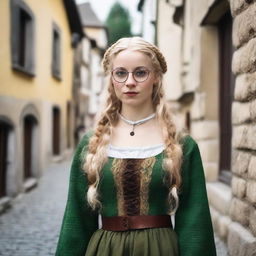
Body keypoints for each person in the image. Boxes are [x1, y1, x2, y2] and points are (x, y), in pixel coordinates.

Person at [55, 37, 217, 256]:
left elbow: (195, 222)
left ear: (156, 78)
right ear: (112, 79)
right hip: (106, 250)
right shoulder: (91, 143)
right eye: (121, 73)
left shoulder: (182, 145)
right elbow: (76, 219)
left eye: (140, 72)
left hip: (161, 250)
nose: (129, 81)